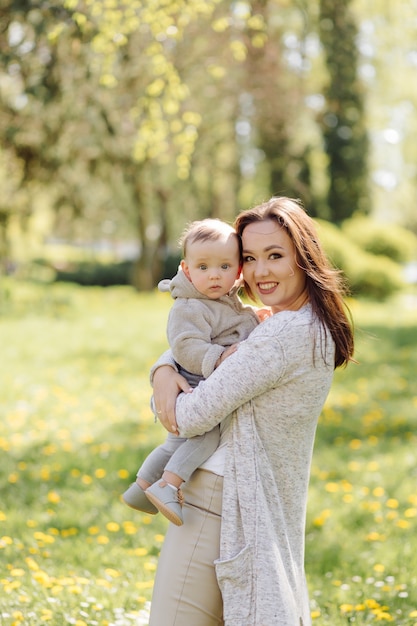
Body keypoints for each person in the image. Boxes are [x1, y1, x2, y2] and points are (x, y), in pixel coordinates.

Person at [147, 197, 355, 626]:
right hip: (233, 500)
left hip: (216, 505)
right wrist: (164, 367)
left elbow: (187, 416)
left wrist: (164, 376)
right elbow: (214, 358)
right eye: (249, 258)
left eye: (275, 256)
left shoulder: (282, 335)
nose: (259, 272)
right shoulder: (292, 325)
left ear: (304, 259)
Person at [122, 218, 261, 525]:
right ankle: (169, 485)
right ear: (186, 270)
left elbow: (233, 322)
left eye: (225, 267)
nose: (215, 275)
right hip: (194, 386)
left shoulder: (224, 301)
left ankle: (140, 487)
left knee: (174, 444)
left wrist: (254, 317)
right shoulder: (189, 306)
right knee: (206, 437)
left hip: (197, 383)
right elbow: (185, 346)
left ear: (238, 269)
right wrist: (219, 355)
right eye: (204, 268)